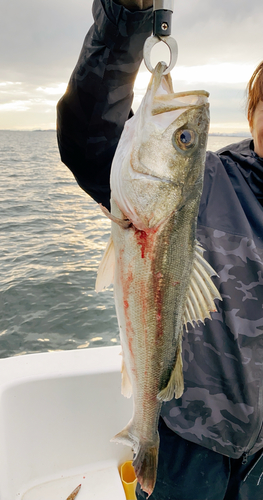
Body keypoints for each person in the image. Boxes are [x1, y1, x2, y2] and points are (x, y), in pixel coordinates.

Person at [57, 0, 263, 498]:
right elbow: (91, 138)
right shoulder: (206, 181)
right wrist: (127, 20)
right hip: (189, 443)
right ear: (254, 114)